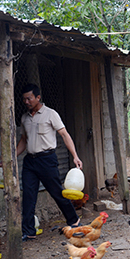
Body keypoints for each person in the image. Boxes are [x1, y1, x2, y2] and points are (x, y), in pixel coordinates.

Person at [17, 83, 83, 241]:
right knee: (28, 195)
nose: (26, 102)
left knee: (57, 192)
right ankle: (28, 231)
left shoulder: (50, 114)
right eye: (24, 99)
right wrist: (11, 158)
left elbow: (64, 135)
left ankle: (74, 220)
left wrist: (75, 155)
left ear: (38, 97)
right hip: (30, 162)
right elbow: (23, 141)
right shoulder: (24, 118)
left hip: (47, 159)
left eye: (29, 98)